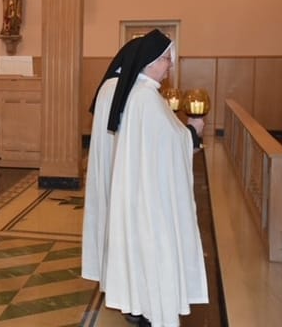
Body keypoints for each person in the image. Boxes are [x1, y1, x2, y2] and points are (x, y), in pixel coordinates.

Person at [102, 29, 208, 327]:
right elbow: (170, 142)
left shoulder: (143, 94)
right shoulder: (146, 98)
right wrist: (192, 133)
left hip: (144, 190)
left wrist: (183, 133)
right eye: (165, 59)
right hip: (152, 198)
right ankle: (155, 308)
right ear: (149, 62)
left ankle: (148, 305)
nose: (169, 66)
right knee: (156, 248)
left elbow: (161, 139)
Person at [81, 37, 142, 286]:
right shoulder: (123, 89)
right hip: (118, 165)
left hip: (107, 163)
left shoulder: (109, 85)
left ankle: (109, 274)